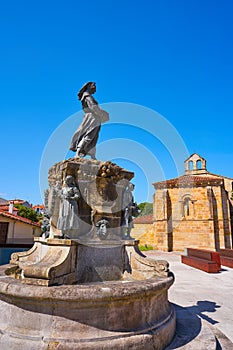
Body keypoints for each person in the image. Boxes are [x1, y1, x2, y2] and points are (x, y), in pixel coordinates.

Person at [69, 82, 109, 159]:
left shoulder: (87, 96)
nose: (95, 89)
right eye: (94, 87)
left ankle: (92, 155)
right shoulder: (87, 96)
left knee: (94, 137)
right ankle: (78, 152)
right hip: (92, 118)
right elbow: (94, 107)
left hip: (94, 117)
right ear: (89, 86)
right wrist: (103, 114)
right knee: (89, 135)